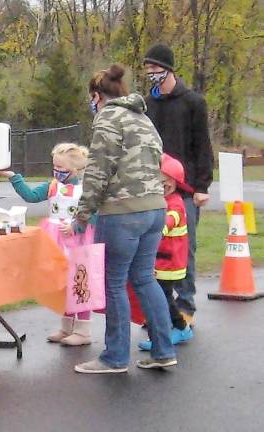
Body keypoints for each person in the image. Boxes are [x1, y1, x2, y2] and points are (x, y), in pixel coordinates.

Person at [73, 64, 176, 374]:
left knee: (115, 283)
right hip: (154, 209)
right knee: (145, 278)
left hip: (121, 213)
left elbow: (98, 171)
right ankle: (163, 350)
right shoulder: (143, 118)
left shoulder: (107, 118)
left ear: (96, 96)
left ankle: (114, 357)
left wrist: (82, 215)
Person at [0, 143, 95, 346]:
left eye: (61, 168)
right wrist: (14, 177)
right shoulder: (52, 186)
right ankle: (67, 326)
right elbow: (31, 196)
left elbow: (94, 214)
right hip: (56, 239)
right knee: (63, 283)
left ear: (75, 170)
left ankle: (83, 330)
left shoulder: (87, 190)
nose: (57, 172)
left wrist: (77, 225)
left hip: (79, 241)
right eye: (55, 167)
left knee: (80, 283)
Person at [143, 43, 214, 325]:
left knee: (185, 248)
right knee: (153, 250)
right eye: (147, 68)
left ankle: (186, 306)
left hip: (184, 189)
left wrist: (202, 186)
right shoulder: (147, 105)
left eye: (155, 68)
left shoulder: (193, 102)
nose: (151, 73)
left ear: (168, 69)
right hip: (152, 187)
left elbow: (202, 146)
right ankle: (159, 309)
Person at [138, 154, 194, 351]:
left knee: (163, 298)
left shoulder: (175, 202)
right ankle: (168, 330)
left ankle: (179, 327)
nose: (163, 184)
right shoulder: (159, 200)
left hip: (169, 263)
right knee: (160, 297)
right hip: (160, 260)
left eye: (167, 180)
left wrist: (152, 227)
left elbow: (170, 221)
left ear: (176, 182)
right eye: (158, 179)